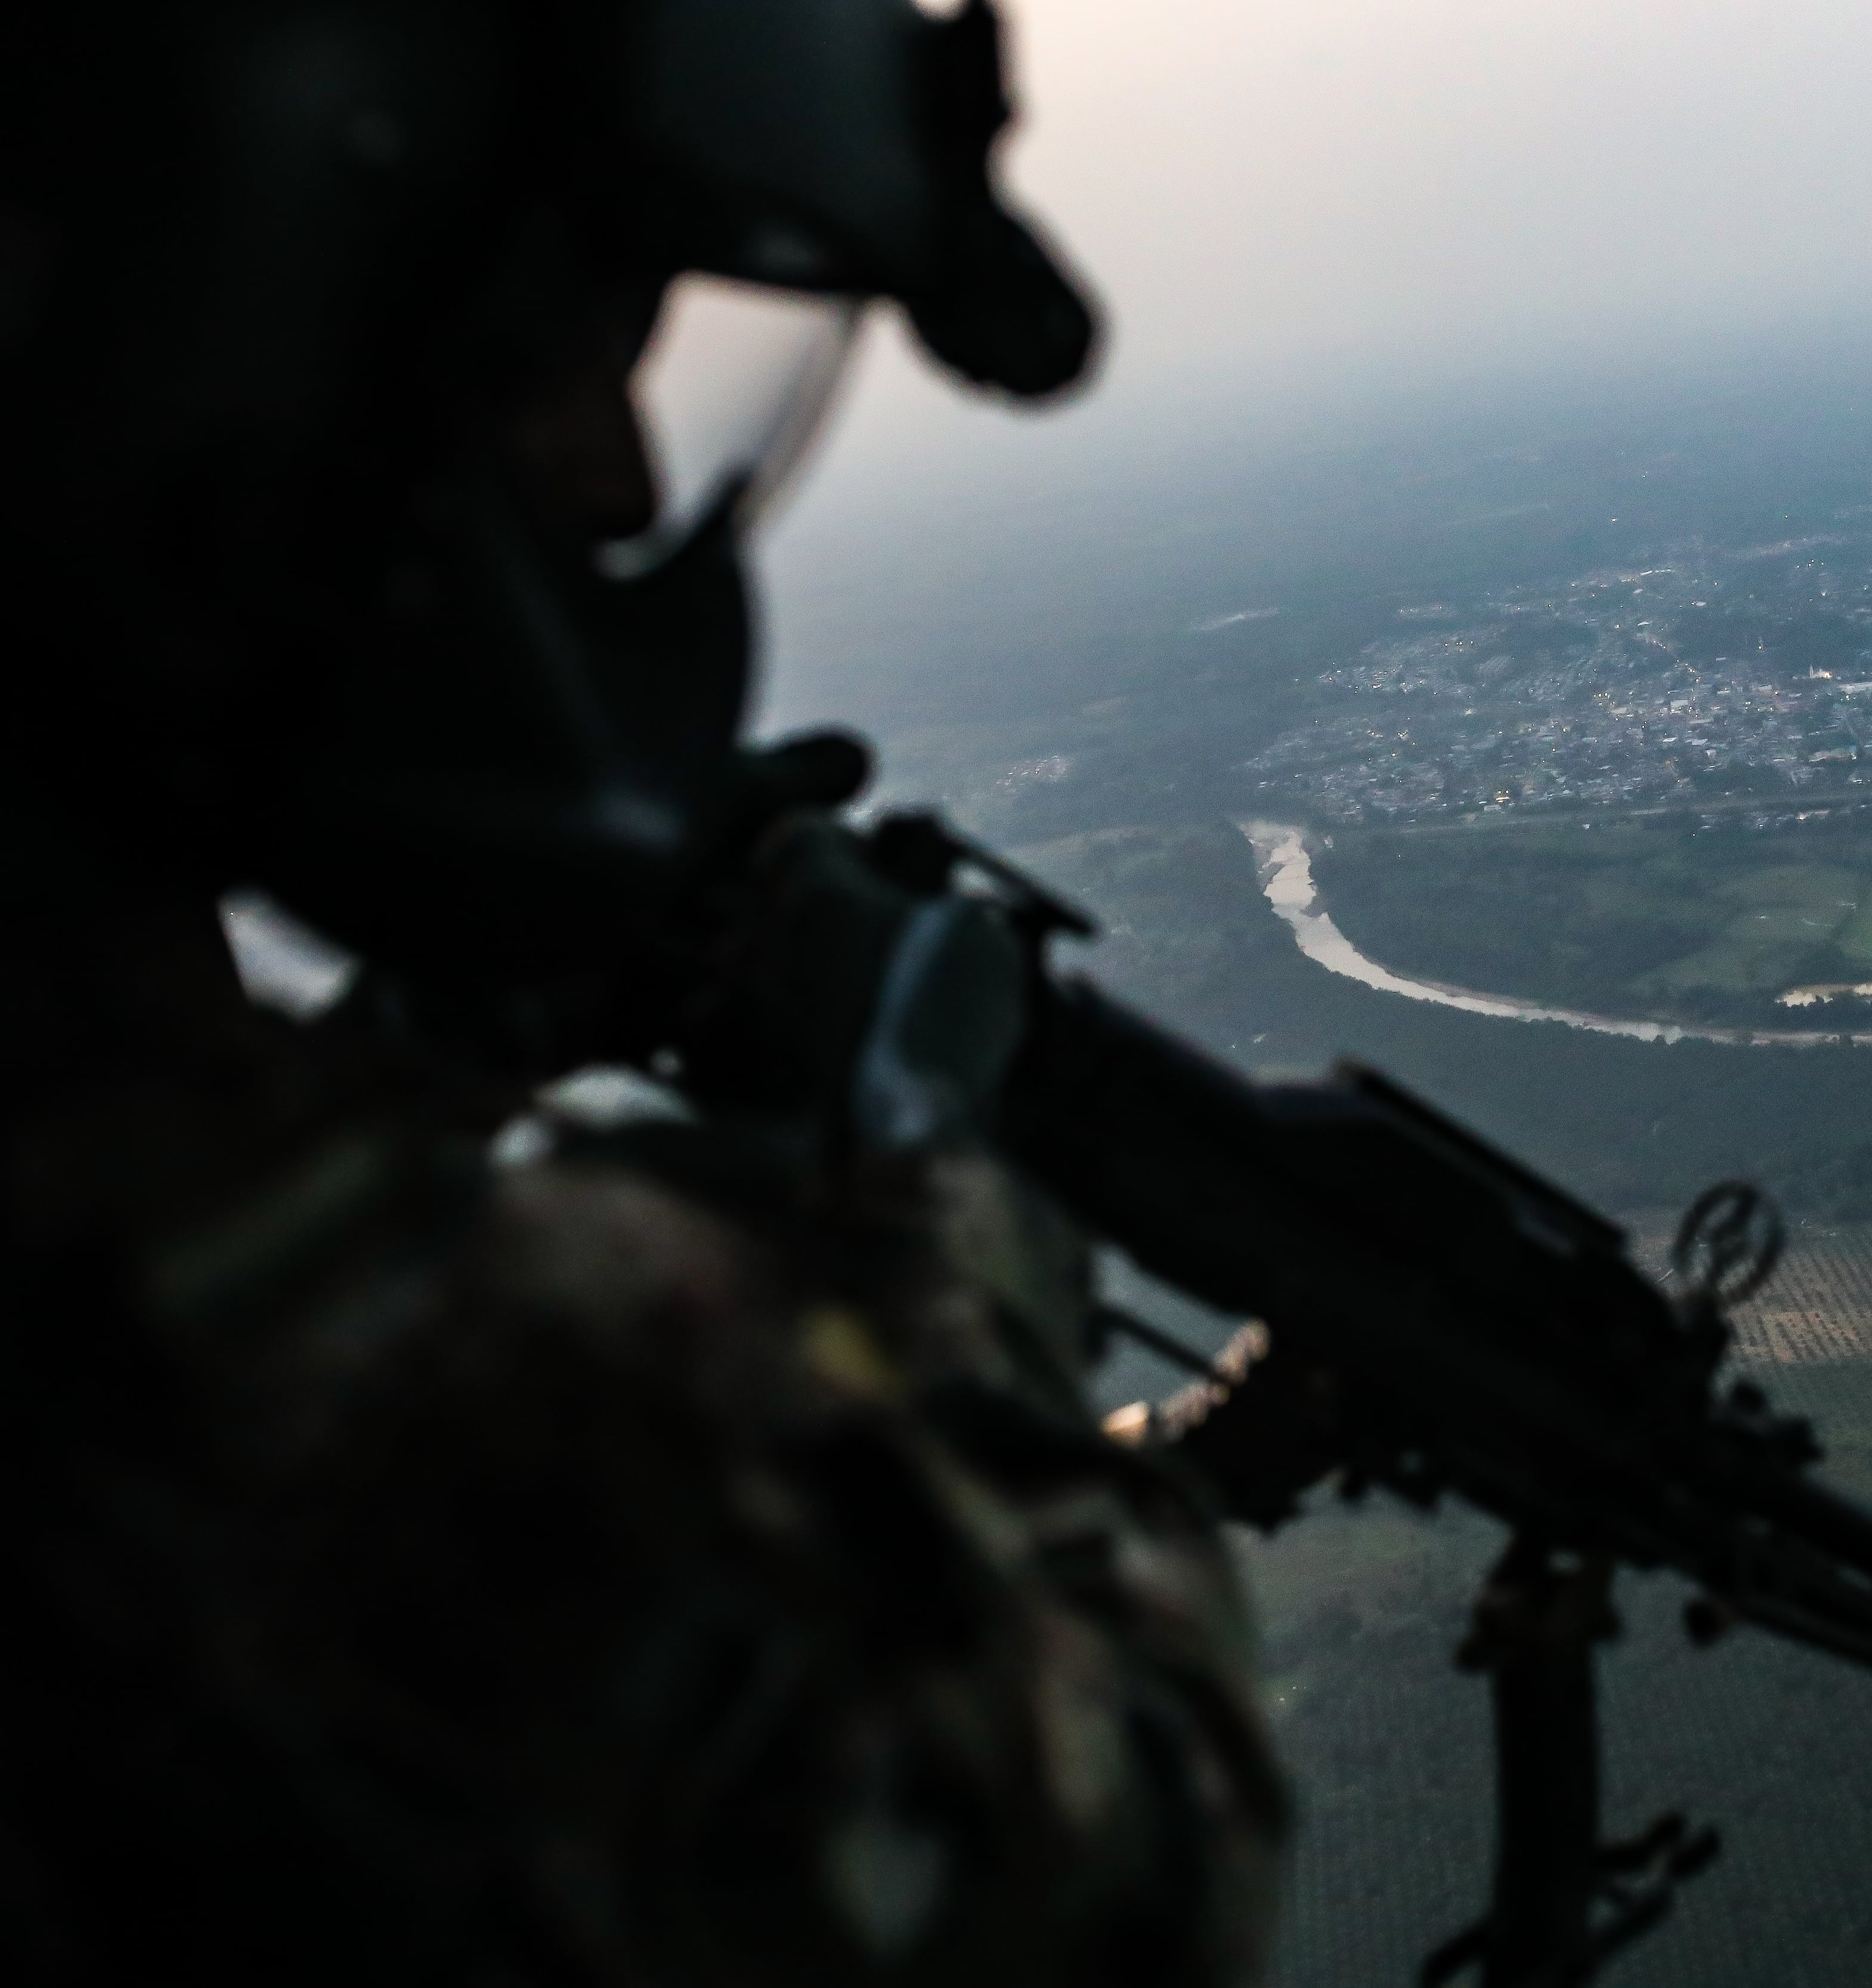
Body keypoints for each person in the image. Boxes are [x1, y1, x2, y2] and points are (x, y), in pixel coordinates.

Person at [0, 4, 1285, 1981]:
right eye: (572, 360)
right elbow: (1098, 1867)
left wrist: (390, 1078)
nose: (612, 487)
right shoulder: (241, 1340)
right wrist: (919, 1196)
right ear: (237, 306)